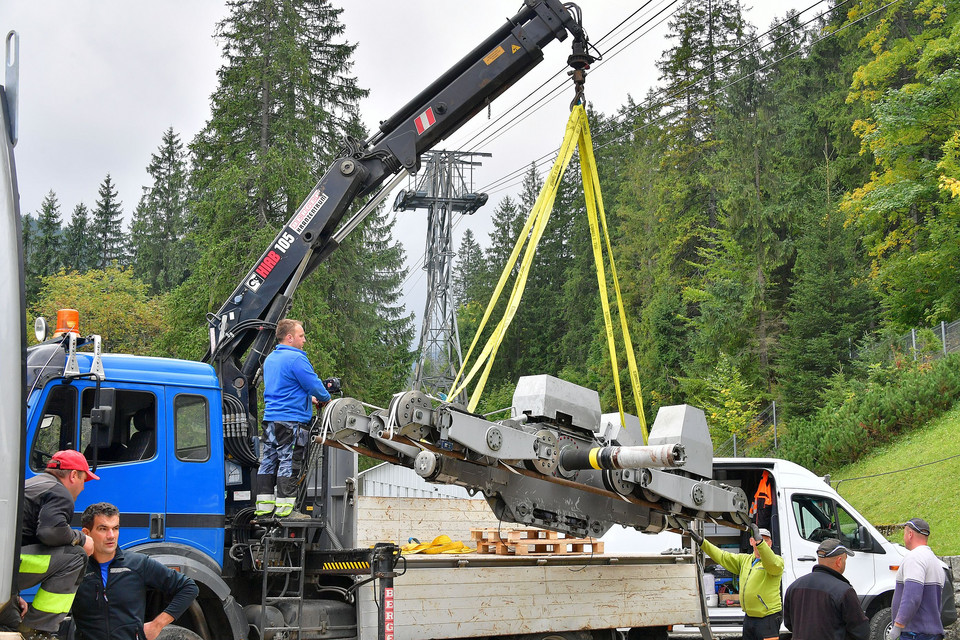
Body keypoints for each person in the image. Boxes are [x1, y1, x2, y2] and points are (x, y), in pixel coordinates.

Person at [0, 450, 99, 640]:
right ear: (73, 475)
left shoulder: (31, 485)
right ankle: (38, 630)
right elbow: (50, 532)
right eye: (83, 481)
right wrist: (82, 538)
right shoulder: (59, 492)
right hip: (5, 570)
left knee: (12, 624)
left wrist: (10, 593)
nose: (83, 488)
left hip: (5, 572)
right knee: (76, 556)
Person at [72, 502, 198, 640]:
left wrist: (157, 624)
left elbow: (188, 588)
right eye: (103, 529)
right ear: (86, 533)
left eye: (115, 528)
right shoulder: (75, 568)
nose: (111, 536)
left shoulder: (137, 564)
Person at [255, 318, 331, 518]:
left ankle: (264, 509)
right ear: (289, 337)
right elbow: (313, 384)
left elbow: (285, 387)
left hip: (271, 419)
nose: (304, 340)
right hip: (291, 421)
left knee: (268, 461)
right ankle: (286, 511)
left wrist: (307, 399)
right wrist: (325, 399)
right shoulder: (296, 358)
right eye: (301, 335)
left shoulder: (270, 359)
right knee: (289, 461)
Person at [689, 522, 784, 640]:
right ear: (751, 541)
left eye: (765, 540)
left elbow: (771, 562)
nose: (762, 543)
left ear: (770, 544)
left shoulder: (777, 562)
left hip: (768, 618)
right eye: (759, 539)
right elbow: (722, 556)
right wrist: (702, 543)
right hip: (750, 617)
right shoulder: (745, 560)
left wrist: (760, 542)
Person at [783, 538, 869, 640]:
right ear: (839, 561)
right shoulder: (844, 591)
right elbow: (861, 632)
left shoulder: (794, 586)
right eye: (845, 559)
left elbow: (789, 624)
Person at [888, 517, 945, 640]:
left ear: (910, 534)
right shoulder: (935, 561)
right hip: (932, 632)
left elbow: (912, 596)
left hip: (915, 633)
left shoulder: (914, 558)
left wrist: (898, 626)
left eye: (904, 533)